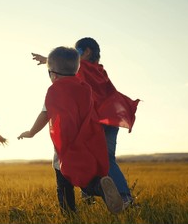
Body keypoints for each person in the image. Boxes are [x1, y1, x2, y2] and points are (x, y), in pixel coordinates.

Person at [32, 37, 139, 208]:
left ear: (86, 52)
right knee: (101, 158)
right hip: (110, 119)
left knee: (80, 157)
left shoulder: (84, 69)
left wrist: (48, 61)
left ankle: (122, 198)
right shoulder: (100, 71)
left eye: (78, 52)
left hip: (93, 121)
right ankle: (94, 195)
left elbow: (66, 69)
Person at [18, 46, 123, 214]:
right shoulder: (84, 87)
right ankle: (99, 187)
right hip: (88, 138)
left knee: (64, 180)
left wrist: (31, 132)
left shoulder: (54, 91)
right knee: (85, 173)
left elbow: (45, 115)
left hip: (66, 141)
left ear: (53, 75)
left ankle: (69, 215)